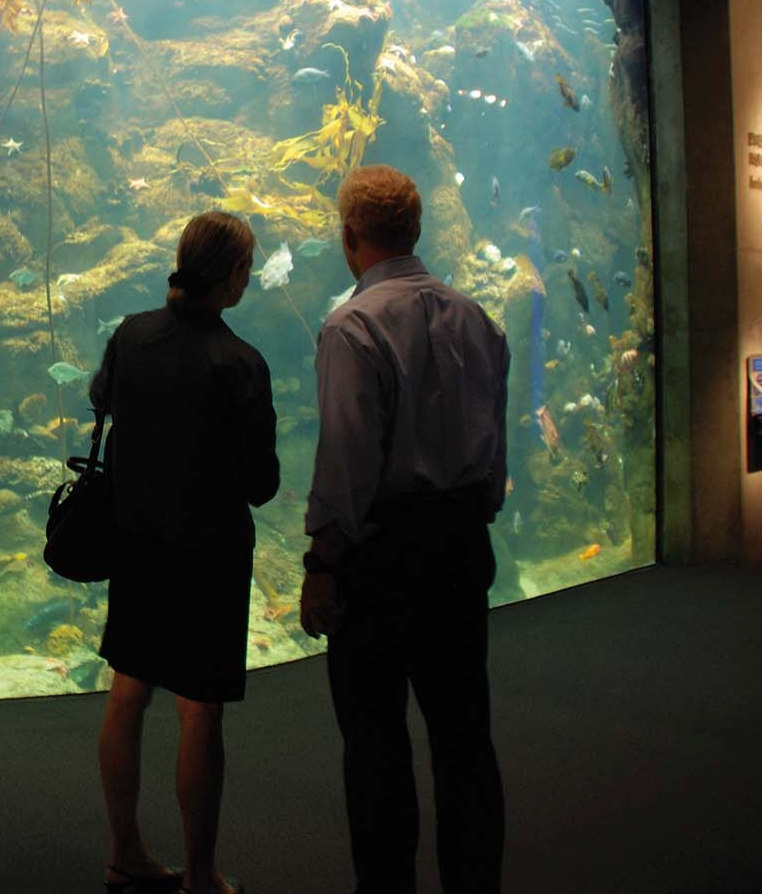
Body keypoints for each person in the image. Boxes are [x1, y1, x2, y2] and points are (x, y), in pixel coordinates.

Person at [299, 165, 509, 894]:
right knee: (464, 739)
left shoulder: (350, 326)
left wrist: (321, 562)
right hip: (458, 549)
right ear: (415, 231)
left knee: (376, 744)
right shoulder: (476, 317)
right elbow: (492, 460)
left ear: (348, 235)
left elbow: (346, 465)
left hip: (380, 559)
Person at [89, 211, 279, 894]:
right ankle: (200, 874)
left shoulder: (130, 336)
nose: (248, 279)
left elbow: (100, 403)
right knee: (198, 708)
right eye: (246, 267)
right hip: (208, 556)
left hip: (136, 544)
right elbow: (262, 485)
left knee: (128, 690)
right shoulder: (239, 363)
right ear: (229, 276)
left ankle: (124, 850)